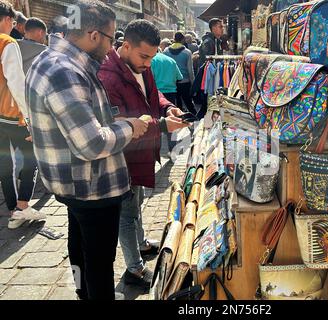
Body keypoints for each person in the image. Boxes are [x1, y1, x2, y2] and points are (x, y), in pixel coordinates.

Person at [26, 0, 149, 300]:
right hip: (91, 185)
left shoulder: (50, 60)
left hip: (73, 183)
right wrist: (131, 127)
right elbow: (91, 143)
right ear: (94, 35)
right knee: (98, 262)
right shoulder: (64, 71)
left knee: (80, 245)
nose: (111, 48)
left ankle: (83, 293)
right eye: (111, 38)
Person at [98, 19, 189, 288]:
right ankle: (134, 269)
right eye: (144, 56)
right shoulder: (108, 76)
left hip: (141, 153)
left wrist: (168, 107)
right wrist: (161, 125)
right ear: (125, 46)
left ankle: (140, 244)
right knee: (126, 213)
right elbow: (121, 124)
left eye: (152, 57)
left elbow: (154, 94)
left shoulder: (142, 66)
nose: (148, 63)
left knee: (136, 204)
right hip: (122, 157)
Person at [0, 1, 45, 230]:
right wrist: (30, 119)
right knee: (31, 158)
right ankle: (22, 206)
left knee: (4, 164)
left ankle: (13, 210)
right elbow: (17, 83)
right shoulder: (7, 43)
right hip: (12, 115)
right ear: (8, 20)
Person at [151, 51, 184, 154]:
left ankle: (156, 152)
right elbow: (180, 77)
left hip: (156, 93)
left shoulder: (151, 60)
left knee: (156, 123)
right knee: (172, 122)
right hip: (171, 94)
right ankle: (173, 150)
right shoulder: (171, 61)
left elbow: (149, 79)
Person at [196, 18, 224, 119]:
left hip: (212, 77)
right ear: (213, 28)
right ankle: (196, 124)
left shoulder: (216, 41)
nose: (222, 29)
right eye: (220, 27)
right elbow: (207, 62)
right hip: (208, 79)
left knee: (208, 106)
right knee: (206, 105)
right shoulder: (209, 42)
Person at [164, 31, 196, 116]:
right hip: (185, 82)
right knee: (188, 102)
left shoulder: (166, 51)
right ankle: (195, 118)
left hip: (172, 82)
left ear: (174, 39)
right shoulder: (187, 52)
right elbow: (190, 69)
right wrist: (193, 83)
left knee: (176, 104)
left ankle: (178, 121)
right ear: (183, 40)